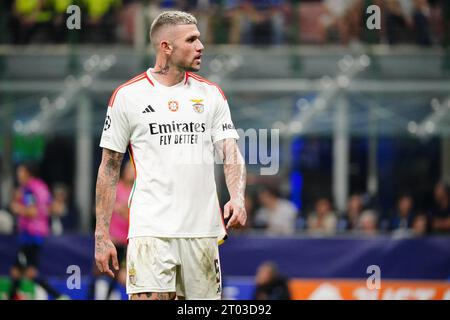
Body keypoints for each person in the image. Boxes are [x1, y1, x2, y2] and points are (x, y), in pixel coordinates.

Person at [95, 11, 247, 300]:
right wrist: (101, 235)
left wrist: (237, 197)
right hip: (150, 230)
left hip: (202, 232)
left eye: (199, 38)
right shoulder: (128, 96)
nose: (201, 46)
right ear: (165, 46)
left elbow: (231, 151)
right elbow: (109, 167)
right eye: (191, 39)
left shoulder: (212, 94)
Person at [8, 163, 67, 300]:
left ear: (28, 173)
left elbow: (33, 211)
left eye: (20, 172)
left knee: (28, 273)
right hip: (35, 235)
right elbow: (52, 207)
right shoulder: (40, 187)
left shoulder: (30, 189)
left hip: (30, 235)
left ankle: (58, 296)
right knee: (17, 271)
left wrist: (17, 207)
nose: (18, 175)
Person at [87, 160, 133, 300]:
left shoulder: (135, 191)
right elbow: (100, 207)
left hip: (125, 241)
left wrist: (124, 212)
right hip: (111, 239)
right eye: (129, 169)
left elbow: (134, 215)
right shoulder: (116, 188)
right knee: (98, 271)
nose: (131, 172)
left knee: (117, 274)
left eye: (133, 169)